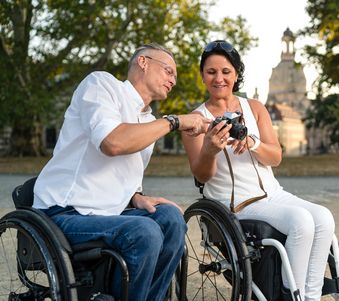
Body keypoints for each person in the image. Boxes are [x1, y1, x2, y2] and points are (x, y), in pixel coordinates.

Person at [33, 43, 210, 301]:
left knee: (171, 217)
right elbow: (112, 143)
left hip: (108, 213)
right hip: (64, 212)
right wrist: (175, 121)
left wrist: (136, 196)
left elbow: (125, 174)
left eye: (175, 75)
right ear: (143, 62)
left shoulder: (149, 122)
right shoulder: (101, 85)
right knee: (144, 231)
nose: (173, 79)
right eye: (168, 70)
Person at [182, 40, 335, 301]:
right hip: (236, 204)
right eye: (211, 72)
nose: (219, 78)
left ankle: (310, 295)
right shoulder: (195, 120)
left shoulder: (255, 108)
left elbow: (276, 157)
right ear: (202, 76)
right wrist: (209, 149)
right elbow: (202, 175)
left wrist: (253, 143)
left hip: (273, 194)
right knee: (301, 222)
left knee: (323, 216)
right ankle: (291, 295)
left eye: (226, 71)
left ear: (237, 74)